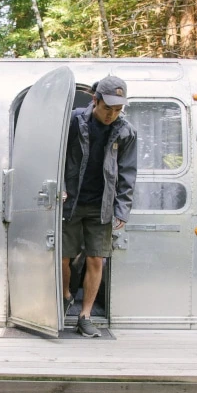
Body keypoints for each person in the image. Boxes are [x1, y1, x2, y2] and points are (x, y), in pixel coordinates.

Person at [62, 76, 137, 337]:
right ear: (95, 101)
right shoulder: (72, 121)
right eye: (108, 108)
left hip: (101, 205)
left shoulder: (125, 131)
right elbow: (56, 157)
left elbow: (128, 172)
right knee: (64, 256)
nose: (112, 115)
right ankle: (65, 294)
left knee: (97, 259)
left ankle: (85, 316)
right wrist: (59, 185)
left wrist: (122, 209)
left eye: (118, 110)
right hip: (70, 201)